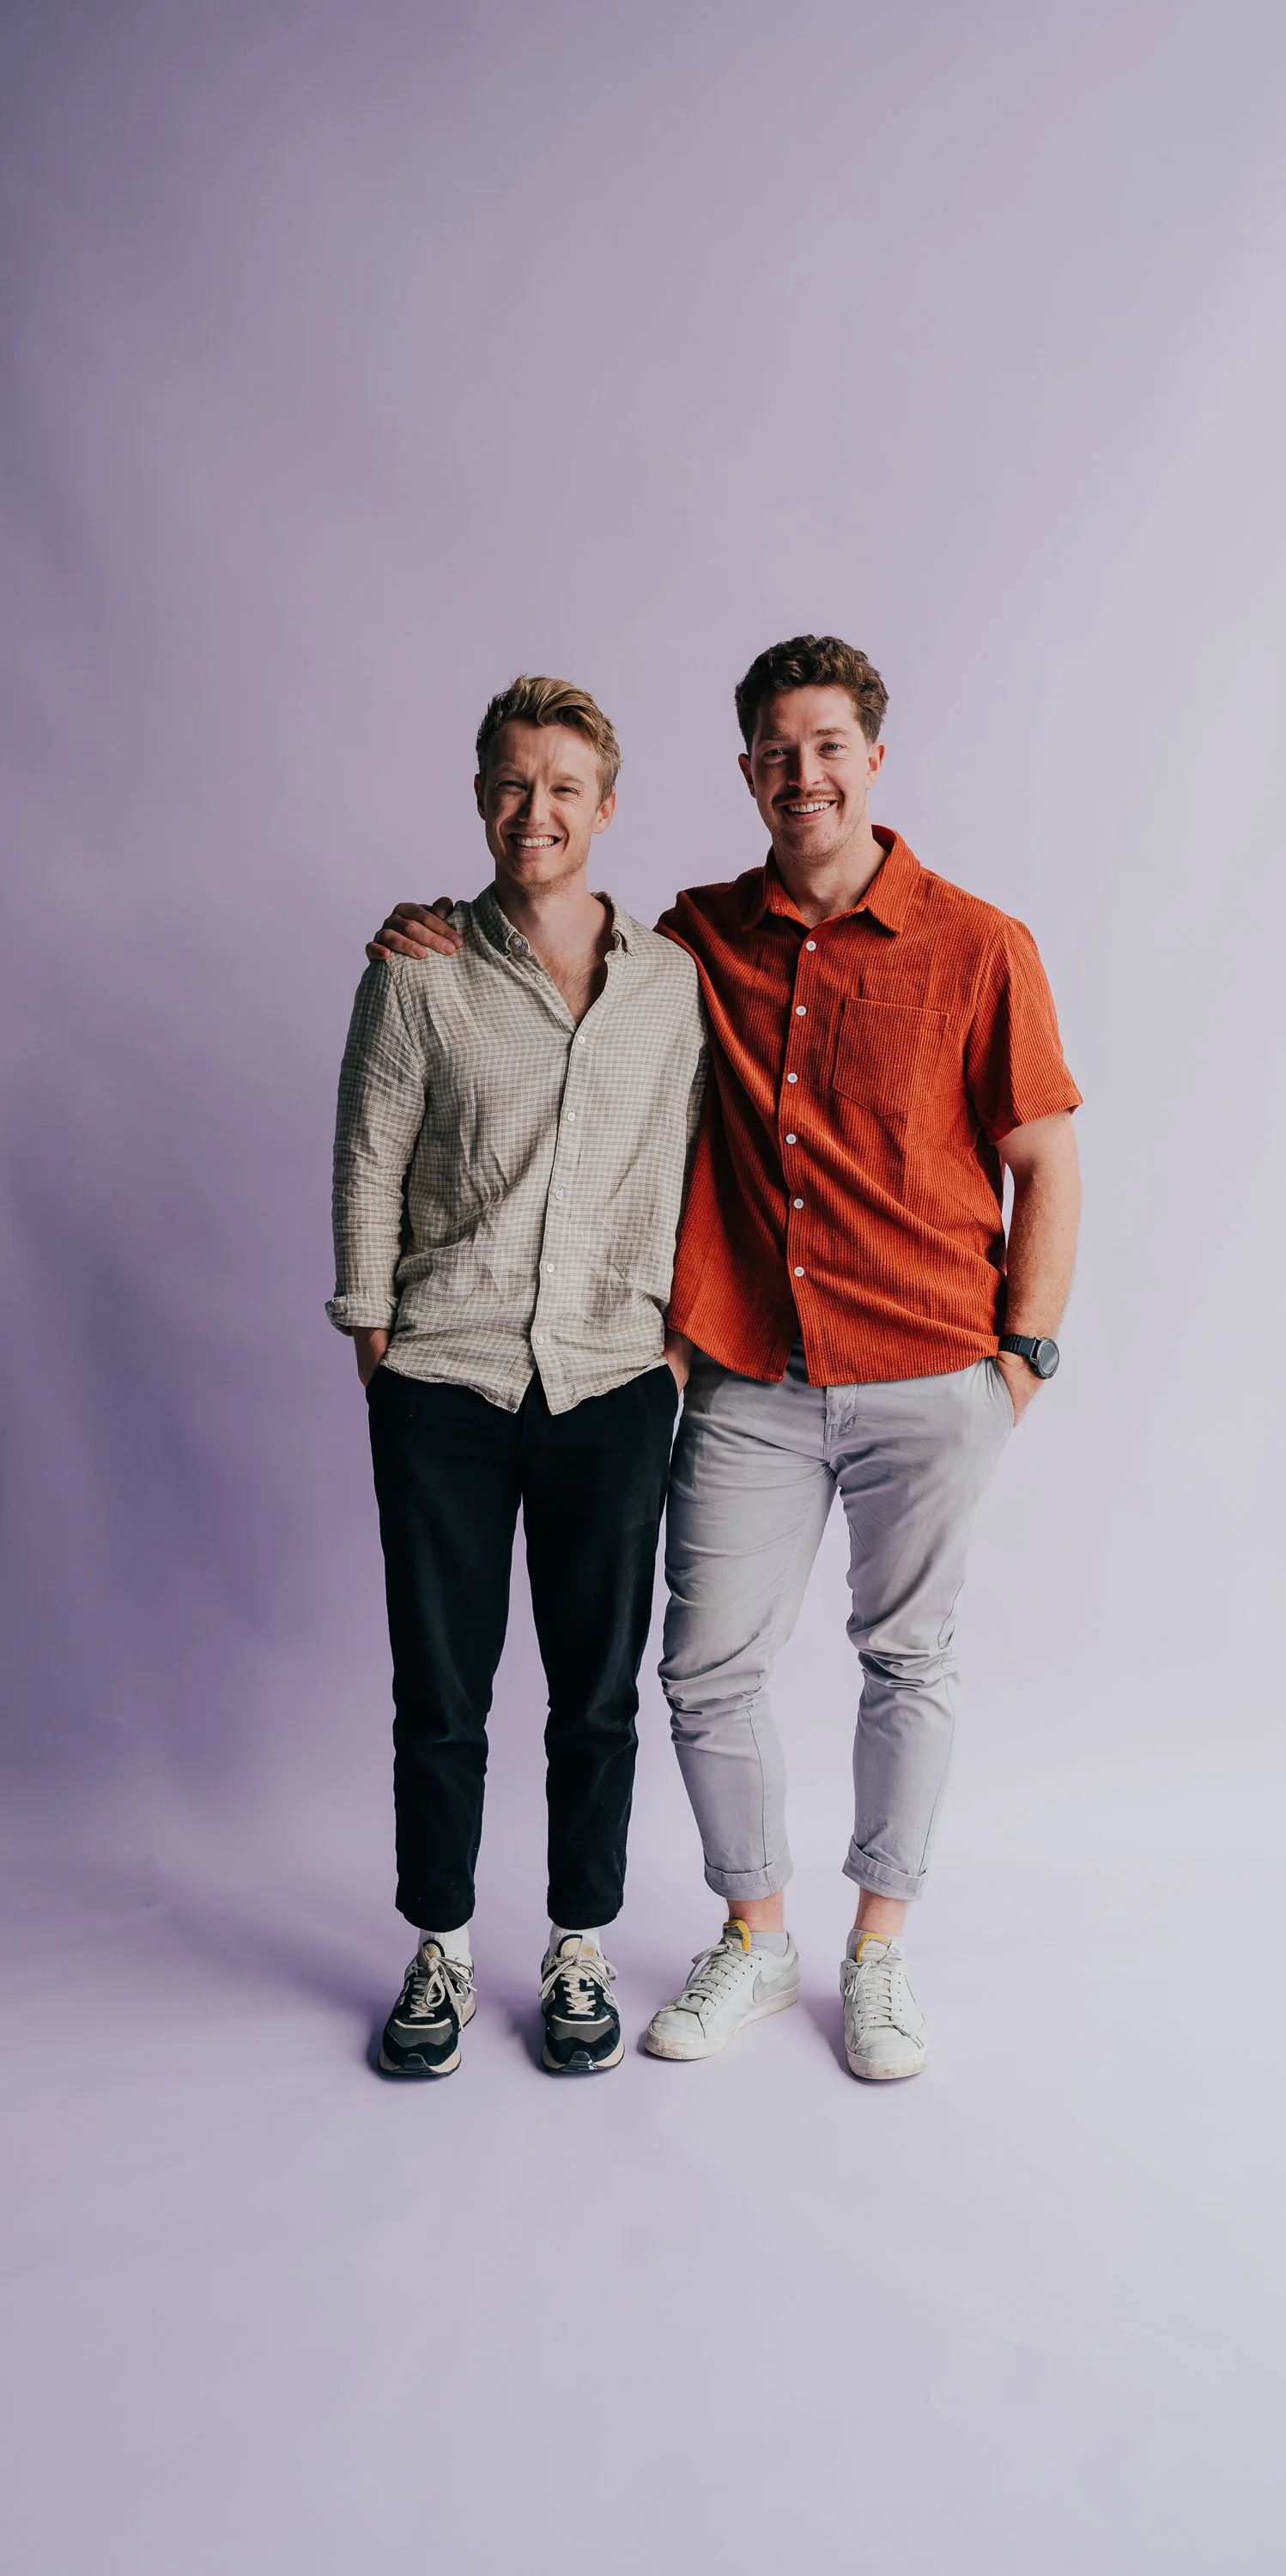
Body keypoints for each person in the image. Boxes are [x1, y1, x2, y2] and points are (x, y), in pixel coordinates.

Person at [372, 634, 1082, 2083]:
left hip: (933, 1371)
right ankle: (758, 1934)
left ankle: (877, 1953)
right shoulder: (693, 944)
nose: (802, 774)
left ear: (874, 759)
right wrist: (428, 925)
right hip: (751, 1376)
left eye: (827, 747)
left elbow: (1046, 1158)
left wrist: (1019, 1364)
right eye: (775, 751)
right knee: (701, 1665)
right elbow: (553, 931)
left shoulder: (979, 943)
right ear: (747, 771)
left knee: (911, 1658)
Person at [332, 675, 707, 2078]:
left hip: (615, 1381)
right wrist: (377, 1334)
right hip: (447, 1380)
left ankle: (579, 1944)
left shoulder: (670, 982)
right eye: (508, 783)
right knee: (440, 1687)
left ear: (605, 810)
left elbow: (700, 1155)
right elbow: (370, 1154)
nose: (531, 811)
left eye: (561, 788)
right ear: (480, 796)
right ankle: (436, 1945)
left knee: (596, 1691)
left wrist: (674, 1342)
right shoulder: (419, 970)